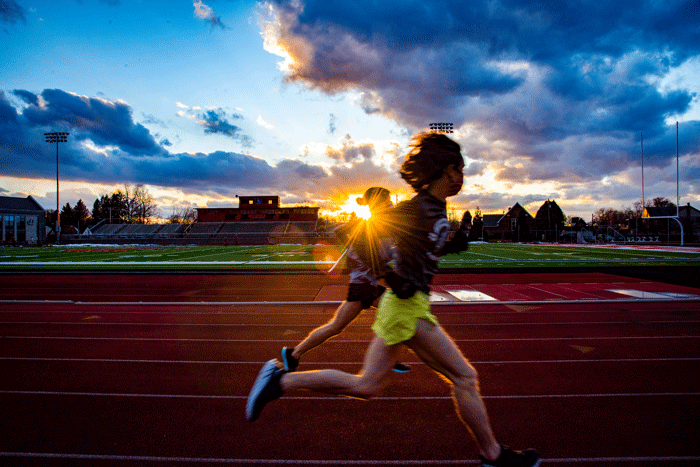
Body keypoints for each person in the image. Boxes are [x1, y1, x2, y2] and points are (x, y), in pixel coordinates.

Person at [247, 132, 540, 467]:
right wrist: (389, 276)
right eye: (460, 170)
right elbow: (367, 241)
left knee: (367, 385)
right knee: (464, 377)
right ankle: (493, 455)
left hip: (410, 306)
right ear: (446, 170)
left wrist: (449, 242)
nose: (463, 177)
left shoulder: (433, 208)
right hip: (405, 307)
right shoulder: (415, 209)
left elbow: (422, 240)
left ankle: (280, 381)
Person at [281, 186, 409, 374]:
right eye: (388, 201)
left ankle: (294, 353)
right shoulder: (370, 227)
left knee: (338, 326)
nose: (391, 204)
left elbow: (386, 252)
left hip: (367, 284)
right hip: (363, 286)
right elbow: (364, 251)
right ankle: (294, 353)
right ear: (379, 204)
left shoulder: (381, 226)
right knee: (392, 313)